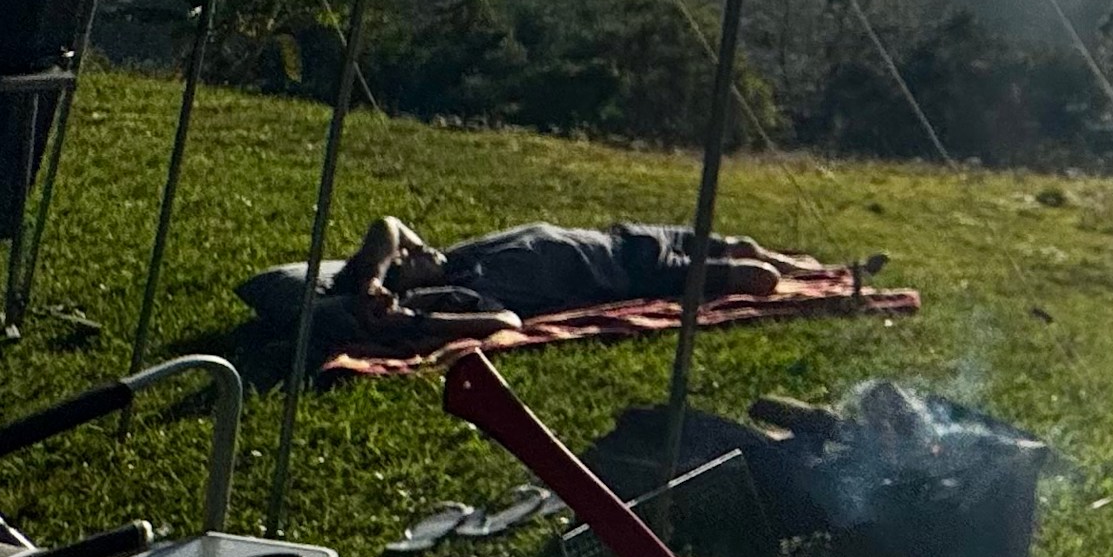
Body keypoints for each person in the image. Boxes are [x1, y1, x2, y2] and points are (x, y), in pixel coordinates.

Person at [325, 215, 841, 348]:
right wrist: (410, 319)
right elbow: (504, 322)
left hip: (625, 238)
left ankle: (820, 272)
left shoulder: (455, 257)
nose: (418, 248)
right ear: (412, 286)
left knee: (742, 243)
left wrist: (371, 275)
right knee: (761, 278)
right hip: (639, 272)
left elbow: (387, 227)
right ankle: (798, 274)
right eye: (411, 259)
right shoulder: (466, 291)